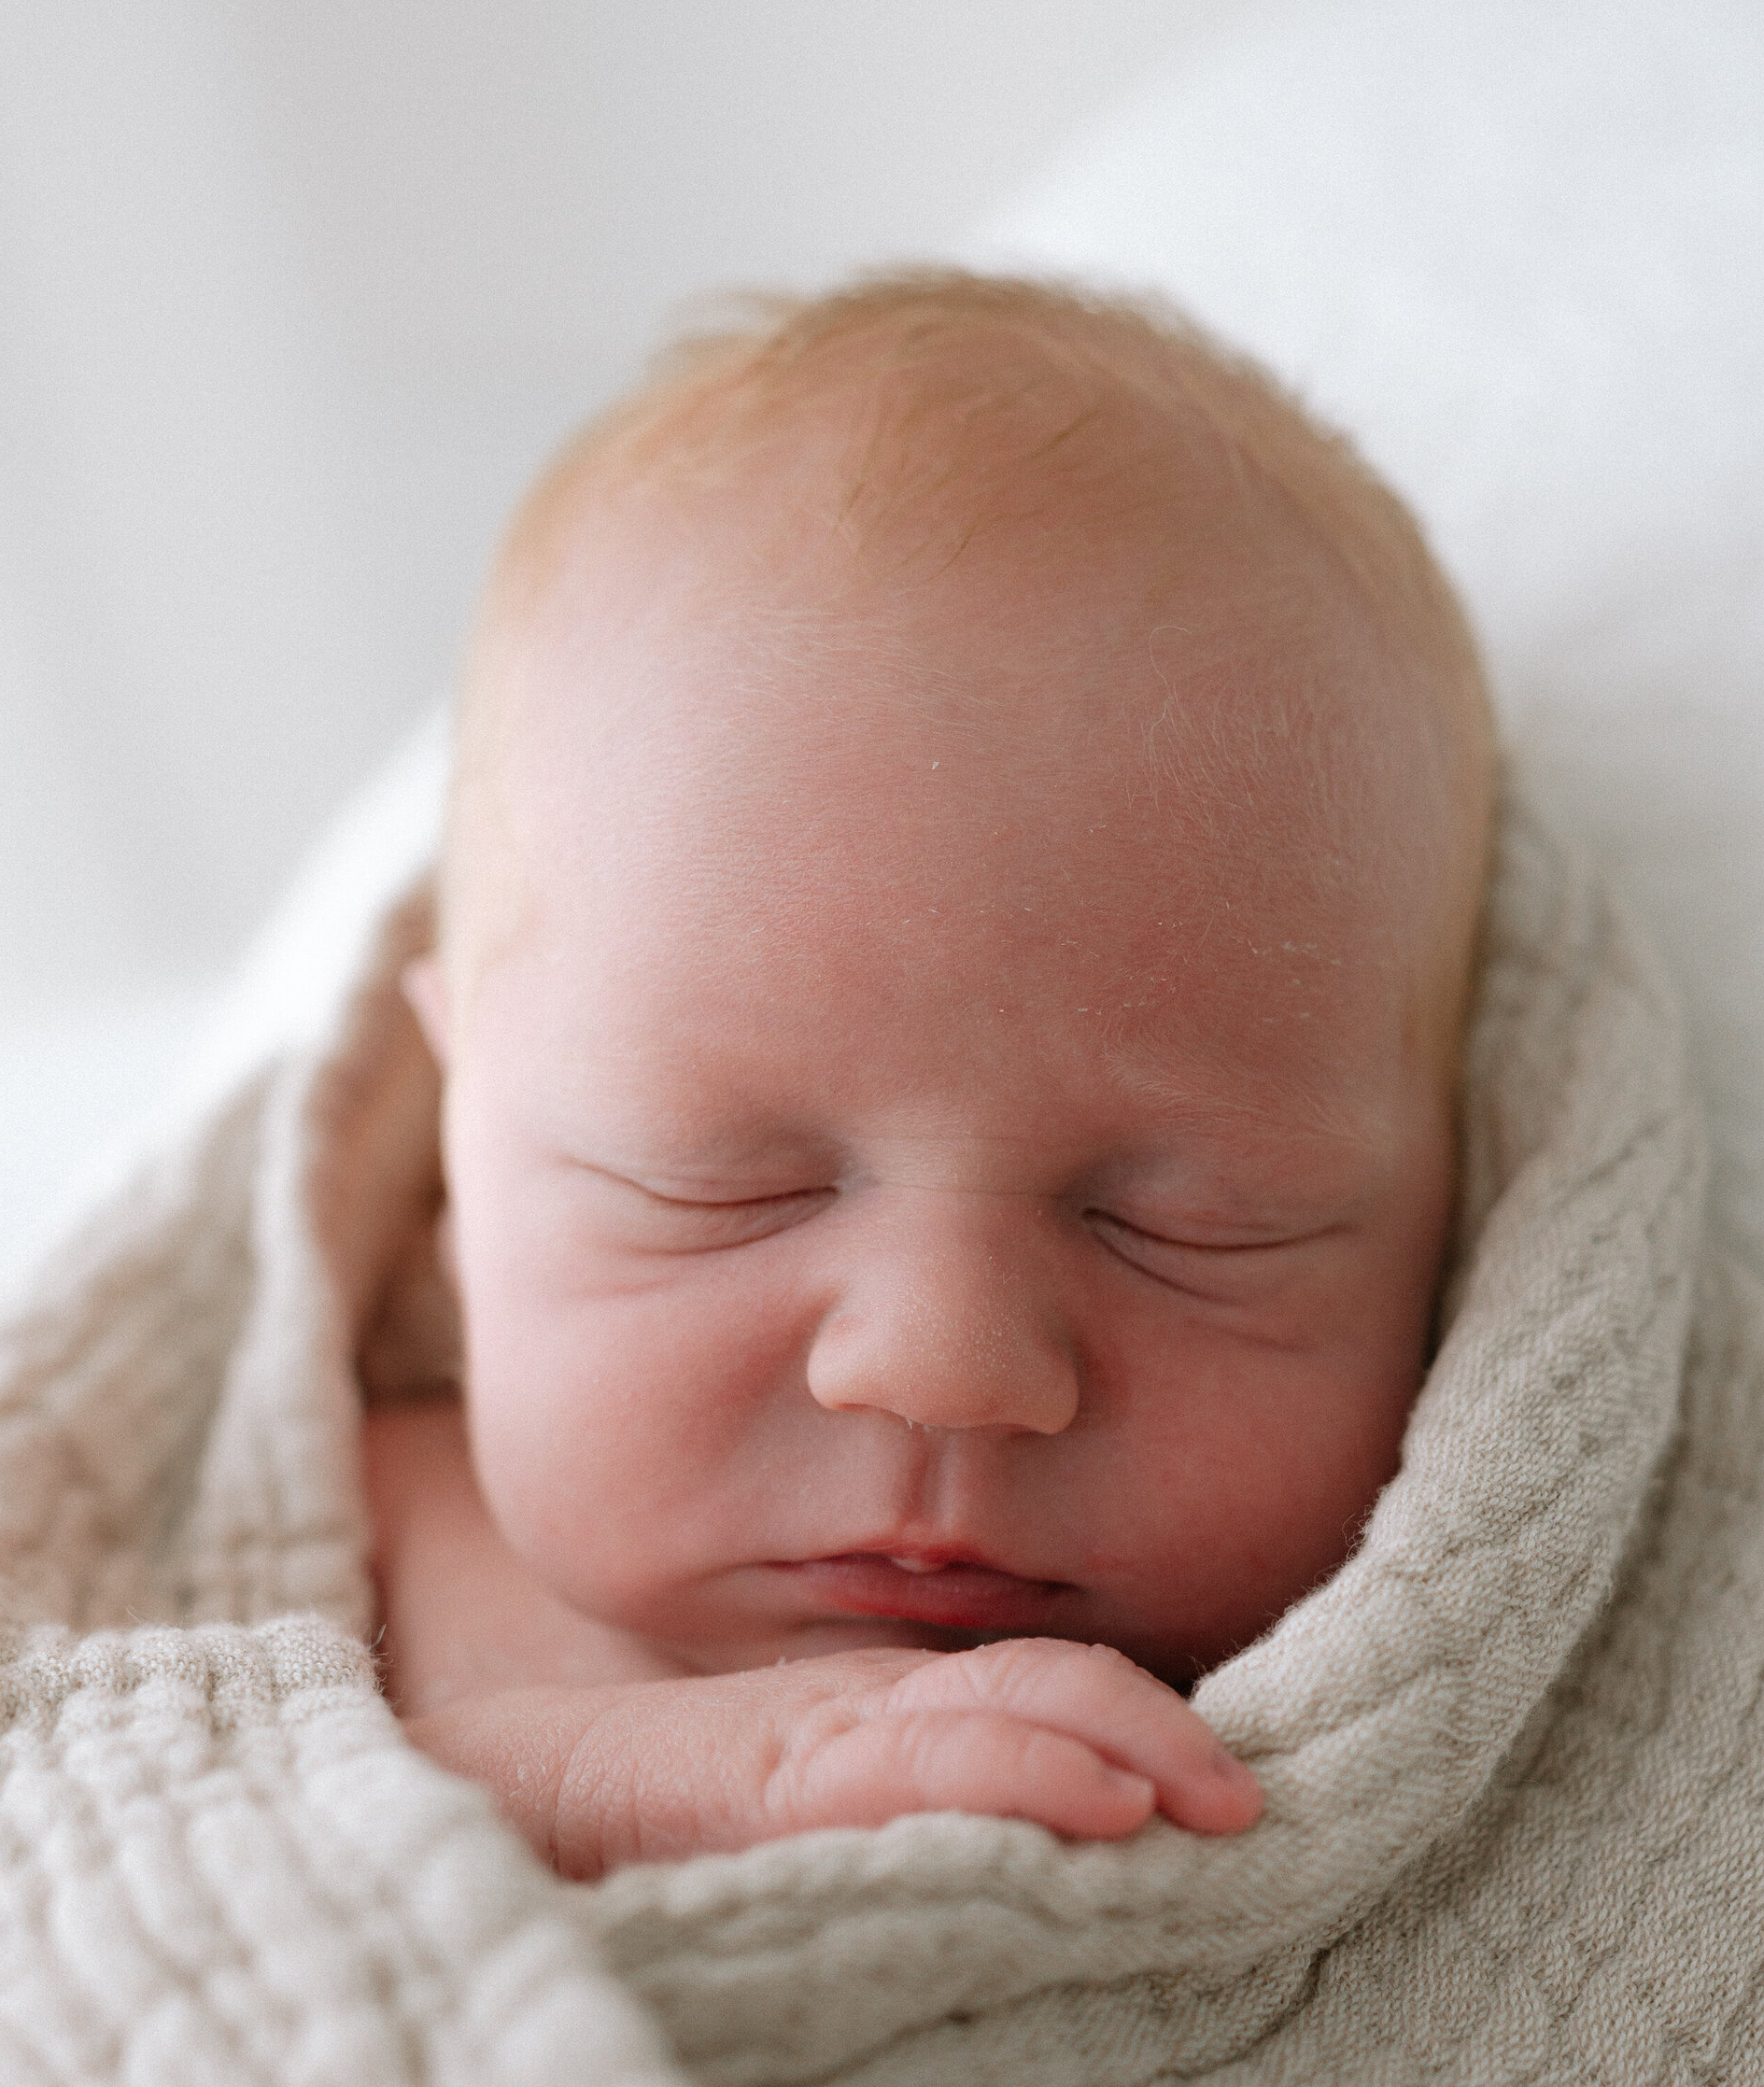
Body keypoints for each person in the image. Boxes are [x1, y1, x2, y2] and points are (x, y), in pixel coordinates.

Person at [365, 269, 1497, 1876]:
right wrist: (633, 1774)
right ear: (452, 1176)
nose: (946, 1363)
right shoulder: (347, 1540)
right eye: (716, 1176)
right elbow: (23, 1859)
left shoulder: (1401, 1735)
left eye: (1198, 1221)